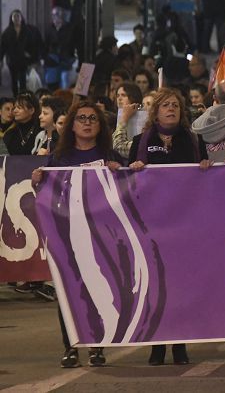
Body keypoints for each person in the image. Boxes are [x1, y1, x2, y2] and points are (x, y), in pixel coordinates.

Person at [31, 99, 122, 368]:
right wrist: (38, 178)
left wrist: (123, 171)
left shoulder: (111, 155)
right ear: (71, 125)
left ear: (100, 125)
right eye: (81, 118)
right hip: (68, 234)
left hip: (102, 235)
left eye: (92, 119)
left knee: (99, 289)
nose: (86, 123)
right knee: (68, 290)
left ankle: (96, 345)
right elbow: (46, 191)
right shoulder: (60, 158)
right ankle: (70, 346)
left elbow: (133, 185)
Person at [128, 87, 210, 366]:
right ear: (156, 112)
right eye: (165, 105)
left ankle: (179, 344)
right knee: (155, 288)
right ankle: (157, 344)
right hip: (152, 225)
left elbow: (208, 180)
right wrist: (134, 168)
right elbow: (128, 183)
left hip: (185, 225)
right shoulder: (140, 141)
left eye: (175, 104)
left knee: (179, 287)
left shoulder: (196, 140)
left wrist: (211, 168)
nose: (171, 109)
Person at [1, 10, 43, 95]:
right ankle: (16, 97)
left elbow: (33, 44)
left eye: (18, 16)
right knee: (14, 81)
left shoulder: (27, 31)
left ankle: (23, 98)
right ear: (12, 18)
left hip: (23, 60)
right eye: (14, 17)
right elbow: (3, 47)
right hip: (12, 61)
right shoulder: (7, 32)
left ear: (21, 18)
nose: (16, 19)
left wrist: (31, 55)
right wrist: (1, 59)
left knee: (23, 80)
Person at [112, 82, 145, 159]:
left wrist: (124, 118)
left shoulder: (145, 117)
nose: (119, 98)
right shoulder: (112, 119)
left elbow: (119, 147)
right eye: (117, 95)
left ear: (133, 97)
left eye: (123, 95)